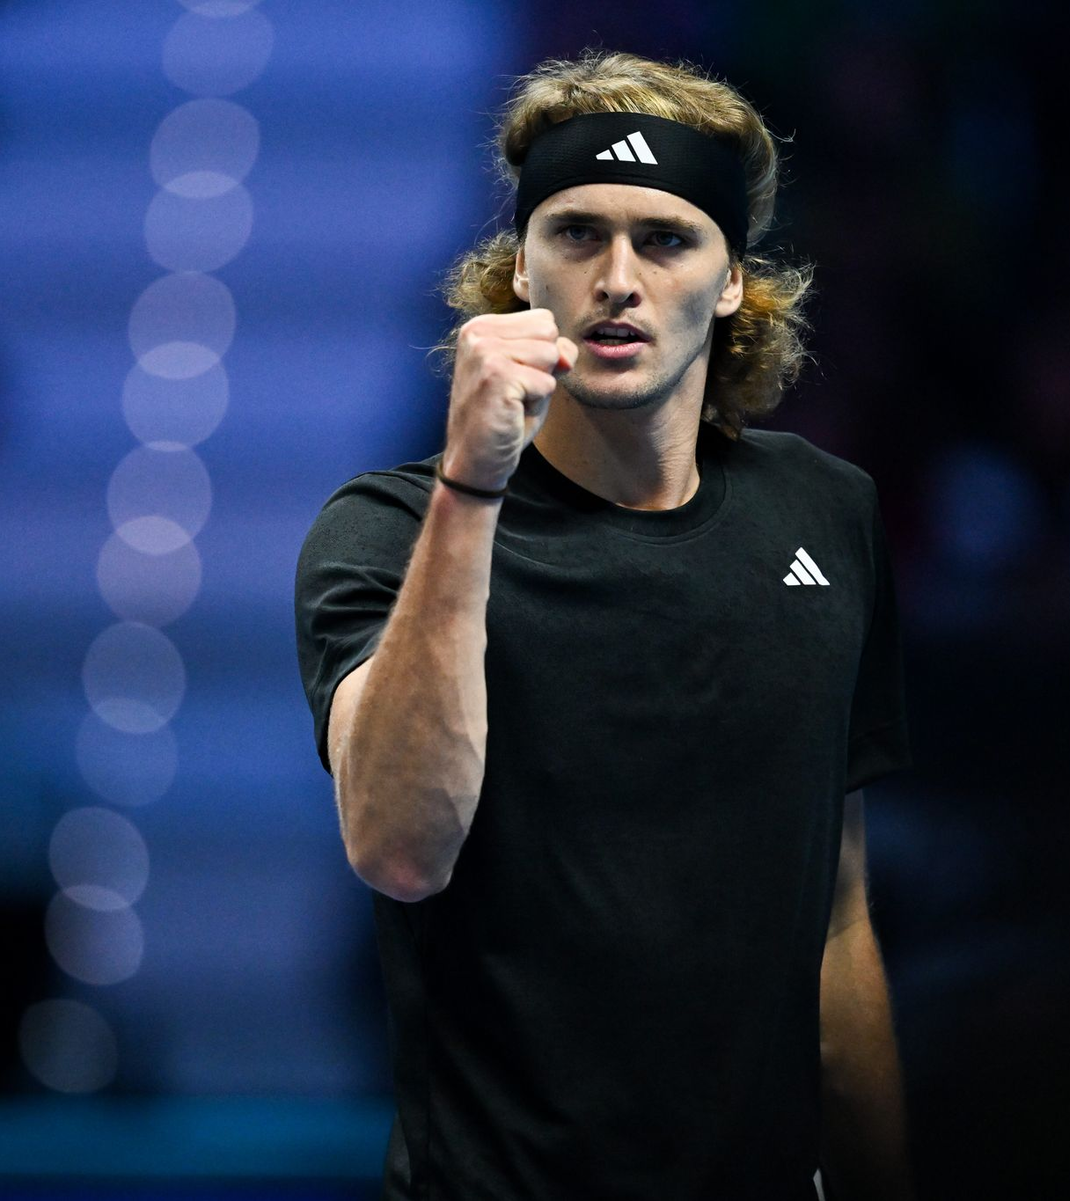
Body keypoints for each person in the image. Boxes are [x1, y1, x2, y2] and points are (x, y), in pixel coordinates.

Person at [295, 49, 917, 1201]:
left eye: (666, 239)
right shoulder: (384, 530)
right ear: (518, 270)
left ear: (733, 280)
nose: (617, 278)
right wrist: (473, 489)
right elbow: (397, 846)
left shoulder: (829, 511)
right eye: (577, 234)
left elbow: (835, 922)